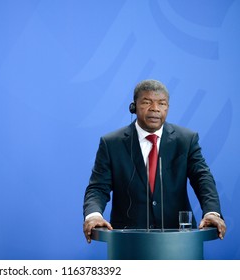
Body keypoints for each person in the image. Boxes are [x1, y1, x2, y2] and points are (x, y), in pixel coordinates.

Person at [83, 79, 226, 243]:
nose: (155, 109)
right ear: (134, 107)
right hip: (129, 242)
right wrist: (93, 215)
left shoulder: (186, 140)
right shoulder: (111, 143)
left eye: (162, 103)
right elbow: (98, 187)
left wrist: (212, 212)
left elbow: (202, 178)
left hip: (179, 241)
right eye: (147, 102)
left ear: (168, 108)